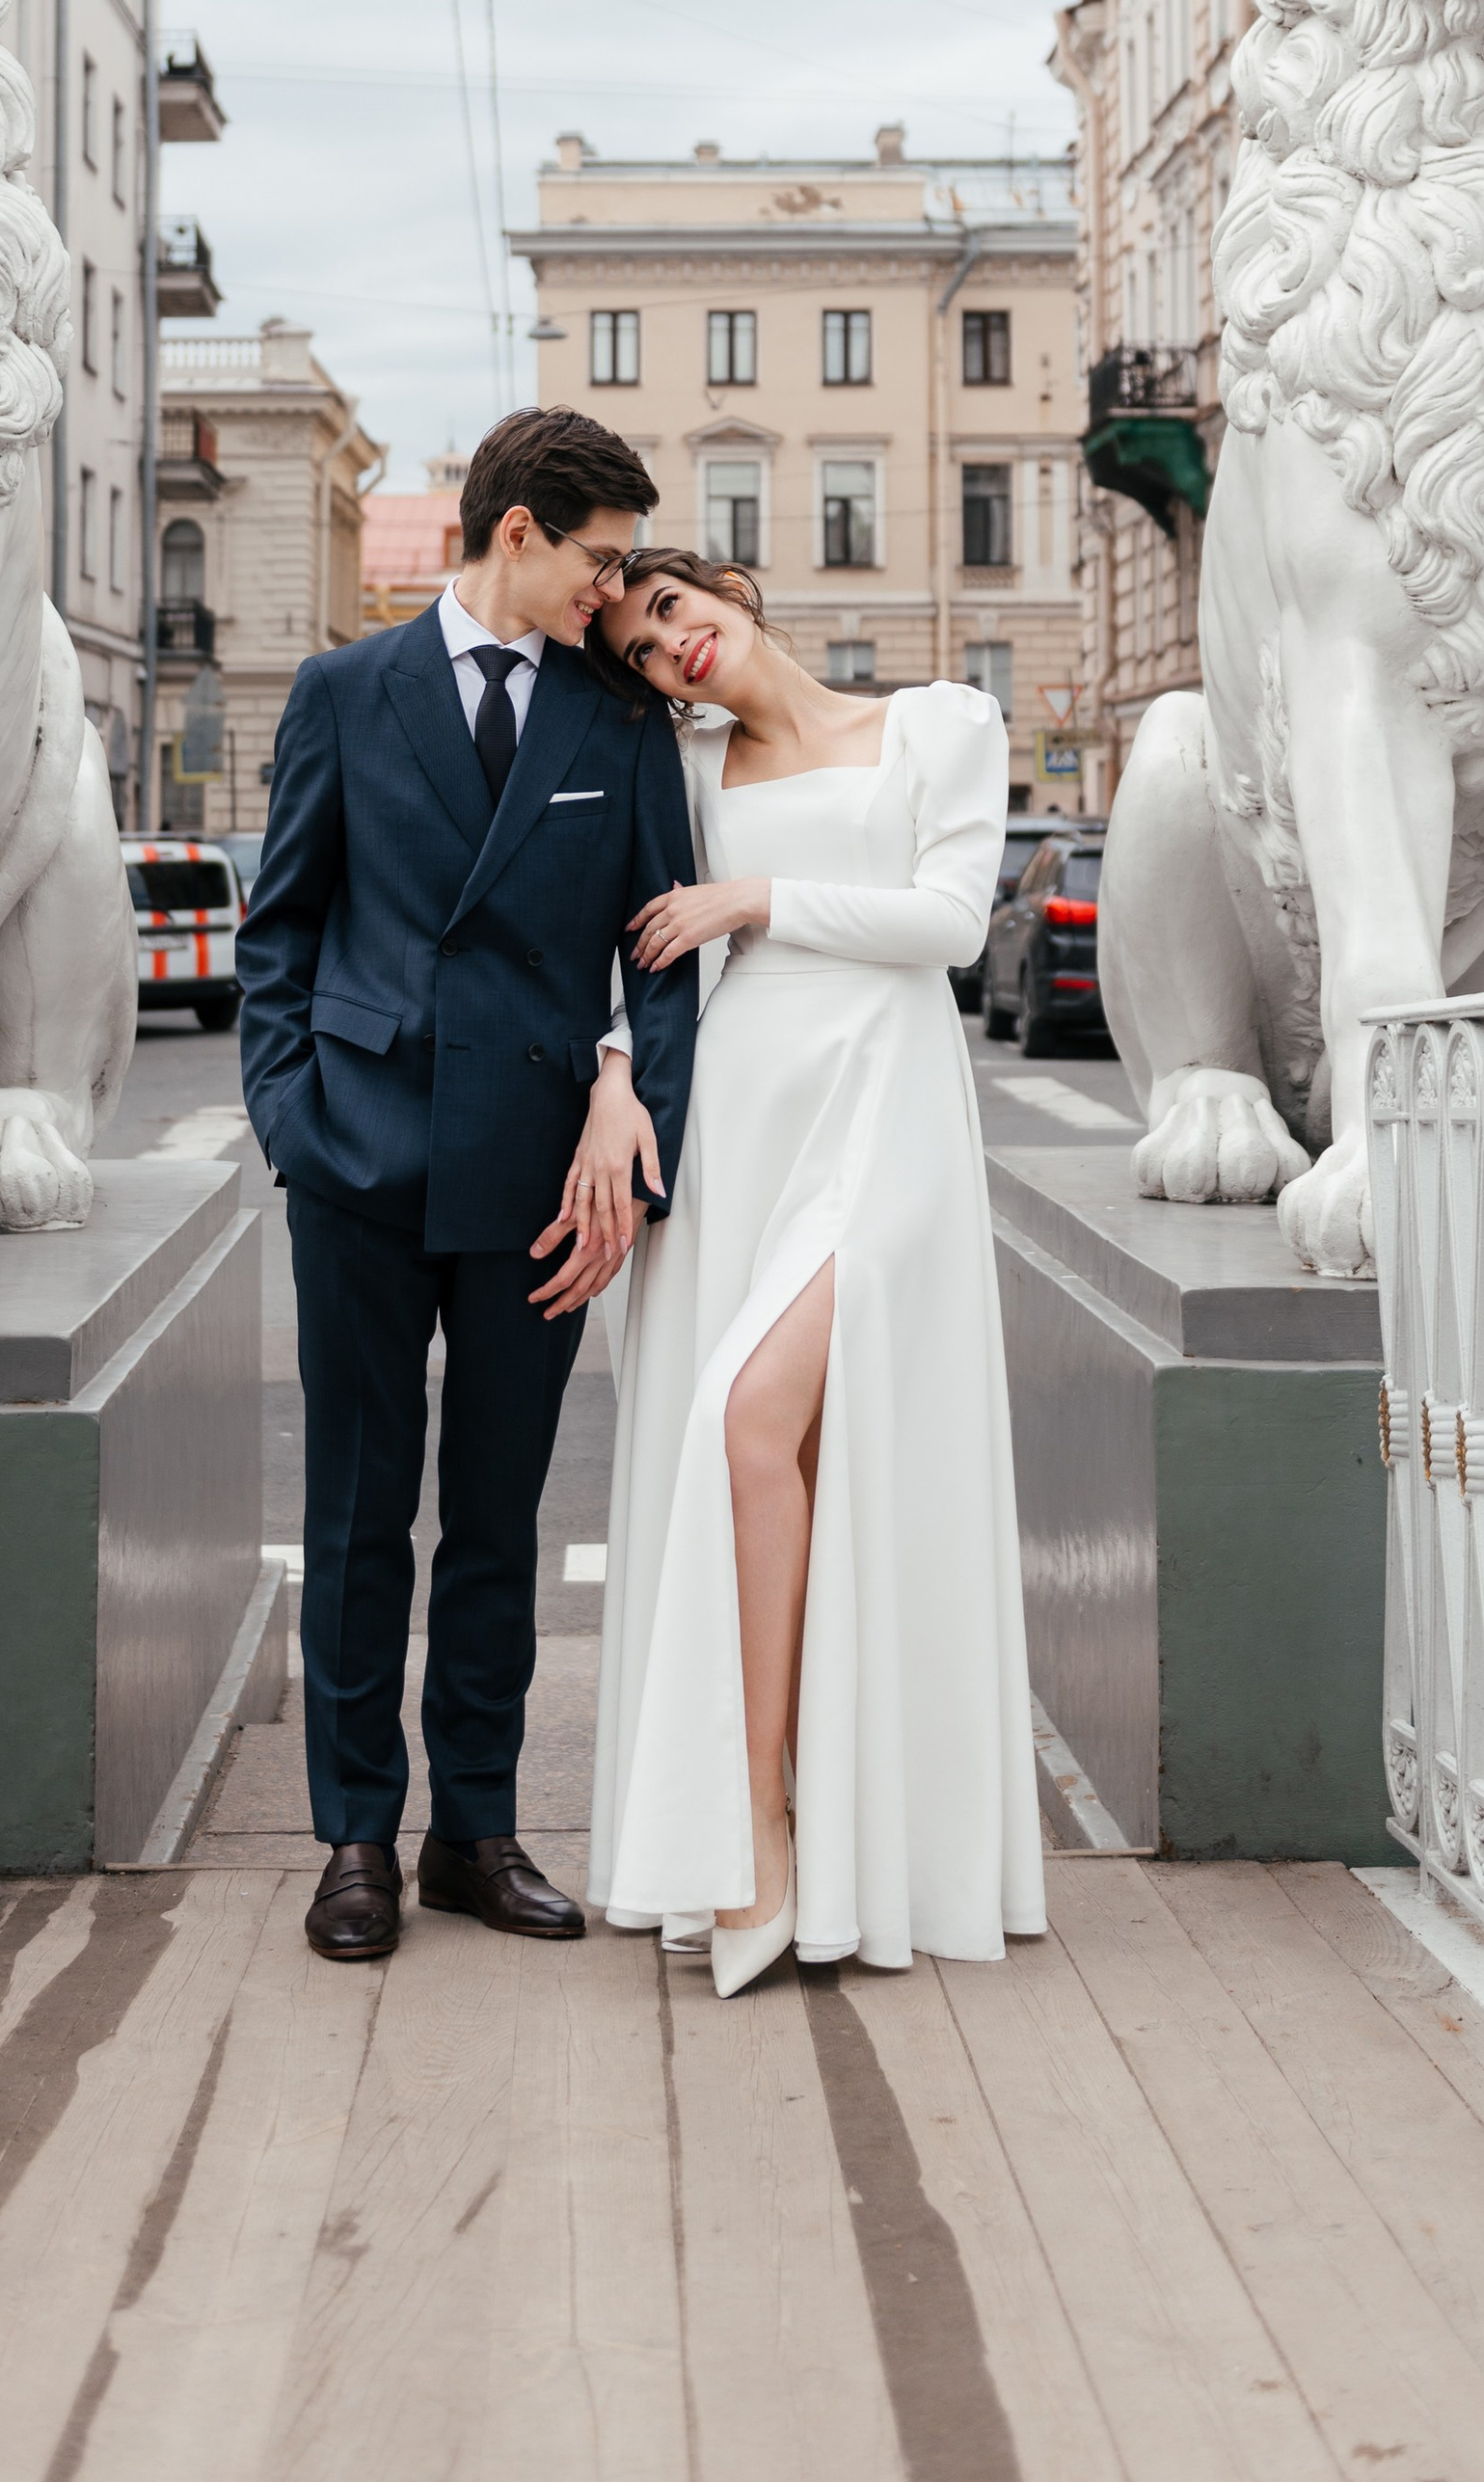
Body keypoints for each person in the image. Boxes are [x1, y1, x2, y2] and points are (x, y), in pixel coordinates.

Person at [236, 409, 698, 1963]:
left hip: (541, 1181)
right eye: (599, 557)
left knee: (495, 1523)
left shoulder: (615, 722)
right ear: (519, 534)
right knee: (359, 1514)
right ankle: (355, 1838)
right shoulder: (345, 691)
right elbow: (280, 934)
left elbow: (662, 956)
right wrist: (293, 1123)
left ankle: (477, 1832)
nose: (614, 590)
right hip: (359, 1162)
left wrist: (639, 1147)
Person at [579, 552, 1045, 1989]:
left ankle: (775, 1828)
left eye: (670, 612)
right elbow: (629, 947)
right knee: (760, 1448)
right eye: (646, 653)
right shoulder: (684, 768)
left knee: (751, 1415)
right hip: (741, 1120)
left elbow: (950, 926)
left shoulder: (942, 724)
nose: (674, 651)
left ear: (725, 589)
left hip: (887, 1107)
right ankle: (768, 1830)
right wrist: (612, 1071)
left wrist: (756, 899)